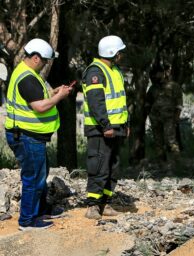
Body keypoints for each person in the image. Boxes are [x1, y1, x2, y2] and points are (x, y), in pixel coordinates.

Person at [5, 38, 71, 230]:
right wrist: (59, 97)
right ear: (35, 58)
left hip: (31, 136)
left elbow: (38, 98)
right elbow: (39, 106)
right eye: (45, 61)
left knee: (40, 175)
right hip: (26, 136)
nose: (45, 64)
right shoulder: (26, 77)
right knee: (33, 178)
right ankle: (27, 220)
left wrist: (55, 92)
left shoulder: (28, 74)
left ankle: (41, 210)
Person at [82, 35, 129, 219]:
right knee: (99, 165)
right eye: (120, 52)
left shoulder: (115, 70)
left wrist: (125, 124)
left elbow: (121, 100)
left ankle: (106, 203)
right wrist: (105, 125)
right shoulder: (96, 71)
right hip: (101, 129)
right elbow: (96, 102)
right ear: (113, 53)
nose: (121, 55)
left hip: (116, 127)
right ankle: (92, 206)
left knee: (113, 167)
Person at [145, 64, 183, 161]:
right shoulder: (153, 88)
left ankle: (176, 161)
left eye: (158, 74)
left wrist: (177, 116)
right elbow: (148, 102)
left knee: (171, 140)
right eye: (154, 74)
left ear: (163, 73)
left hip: (169, 118)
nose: (156, 76)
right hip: (155, 118)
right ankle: (161, 162)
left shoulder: (174, 86)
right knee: (158, 141)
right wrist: (149, 113)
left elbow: (179, 103)